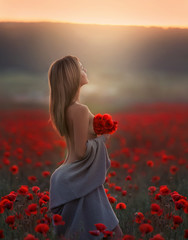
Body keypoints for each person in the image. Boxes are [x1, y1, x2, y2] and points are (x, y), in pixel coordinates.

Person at [48, 55, 123, 240]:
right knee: (114, 234)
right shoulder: (79, 110)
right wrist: (102, 139)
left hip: (68, 177)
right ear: (73, 76)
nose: (85, 70)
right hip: (79, 179)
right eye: (81, 67)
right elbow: (81, 152)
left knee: (77, 234)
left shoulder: (65, 109)